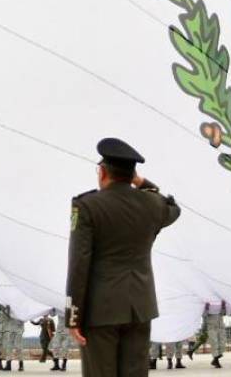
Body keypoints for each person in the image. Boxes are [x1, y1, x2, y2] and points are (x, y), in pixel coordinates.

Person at [64, 138, 181, 377]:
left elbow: (79, 263)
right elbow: (173, 207)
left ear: (103, 172)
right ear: (133, 175)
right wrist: (141, 182)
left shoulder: (87, 206)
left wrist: (73, 315)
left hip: (101, 310)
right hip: (140, 307)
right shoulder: (152, 205)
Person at [203, 302, 226, 368]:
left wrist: (223, 306)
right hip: (211, 327)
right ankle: (216, 360)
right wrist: (206, 308)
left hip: (220, 326)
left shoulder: (219, 304)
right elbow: (204, 315)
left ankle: (215, 358)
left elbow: (224, 313)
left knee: (222, 344)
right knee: (214, 343)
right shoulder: (207, 304)